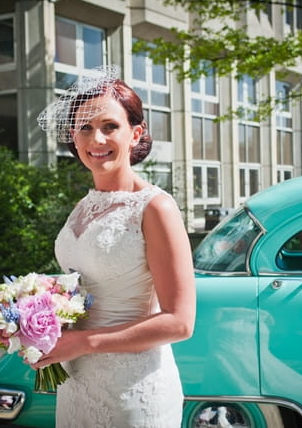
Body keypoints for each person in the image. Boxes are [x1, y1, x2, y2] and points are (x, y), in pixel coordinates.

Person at [35, 66, 196, 427]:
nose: (96, 140)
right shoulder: (84, 205)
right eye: (86, 128)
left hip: (132, 390)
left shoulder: (156, 207)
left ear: (135, 134)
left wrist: (84, 343)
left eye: (110, 126)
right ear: (73, 137)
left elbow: (180, 323)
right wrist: (38, 327)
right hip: (77, 383)